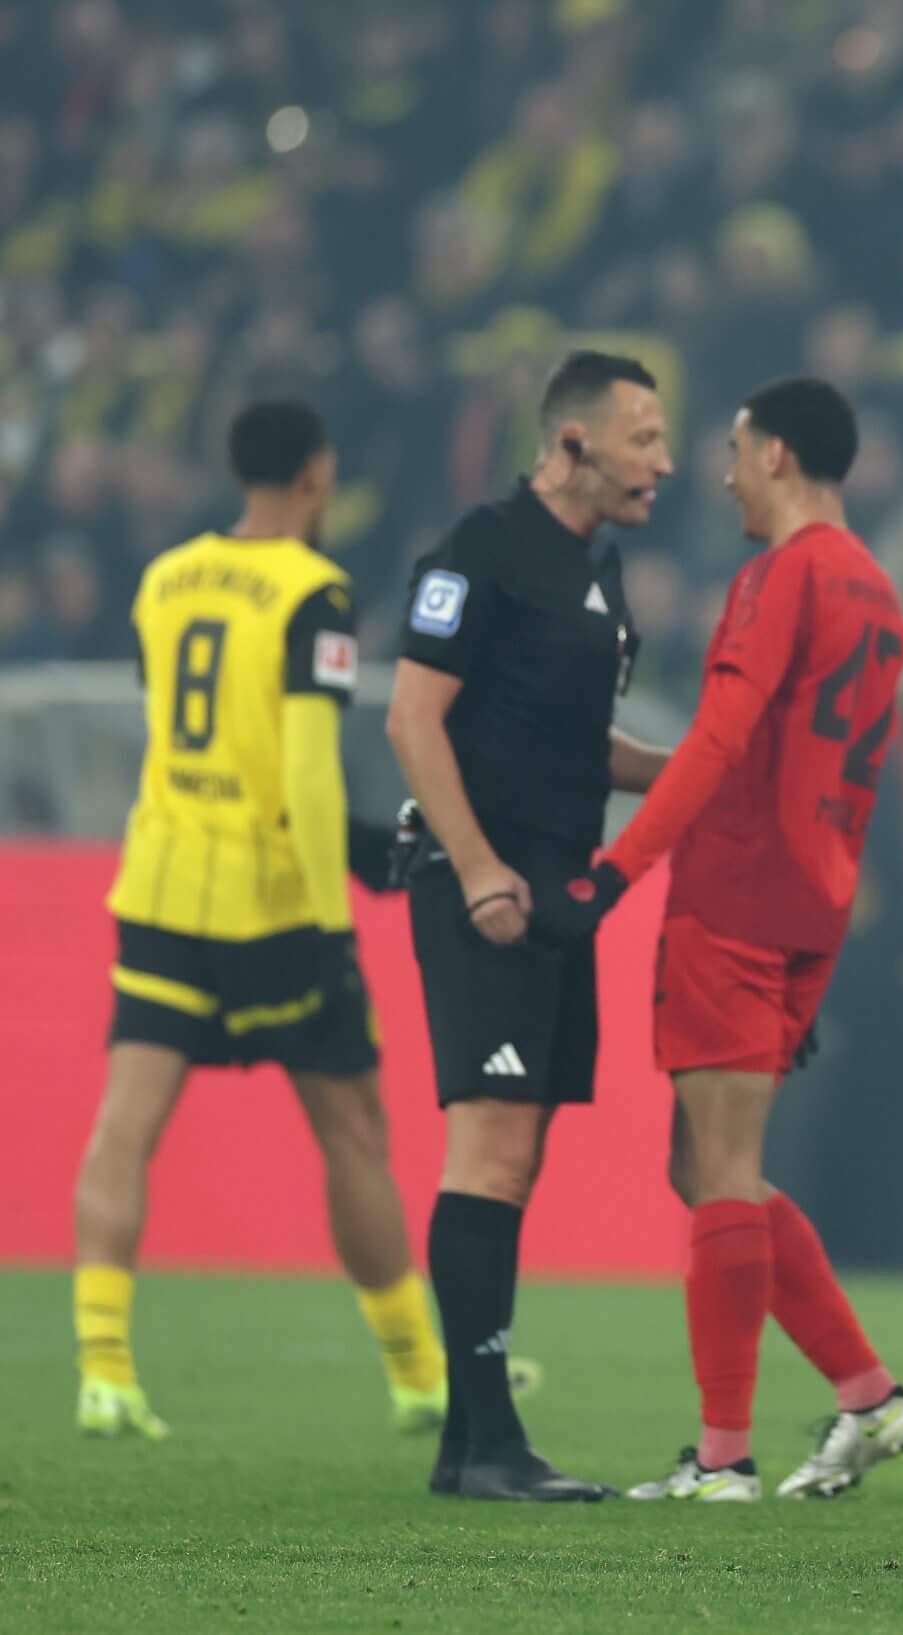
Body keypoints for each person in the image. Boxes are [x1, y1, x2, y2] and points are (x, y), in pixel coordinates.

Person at [531, 378, 903, 1503]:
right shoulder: (879, 593)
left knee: (723, 1174)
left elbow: (716, 742)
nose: (721, 474)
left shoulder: (781, 574)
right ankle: (868, 1392)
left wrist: (613, 871)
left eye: (735, 451)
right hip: (816, 901)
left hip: (739, 893)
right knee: (703, 1164)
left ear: (780, 459)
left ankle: (722, 1456)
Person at [73, 401, 443, 1441]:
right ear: (317, 478)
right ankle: (419, 1377)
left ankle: (104, 1372)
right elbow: (303, 770)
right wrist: (339, 905)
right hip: (273, 905)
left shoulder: (164, 577)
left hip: (159, 886)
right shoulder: (313, 592)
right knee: (353, 1133)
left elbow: (175, 730)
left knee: (124, 1128)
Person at [385, 351, 674, 1501]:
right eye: (643, 437)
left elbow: (577, 745)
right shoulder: (481, 549)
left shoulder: (597, 571)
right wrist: (477, 870)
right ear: (572, 444)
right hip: (487, 885)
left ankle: (473, 1442)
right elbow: (415, 718)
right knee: (493, 1148)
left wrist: (694, 770)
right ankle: (491, 1441)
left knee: (521, 1152)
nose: (662, 460)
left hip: (558, 884)